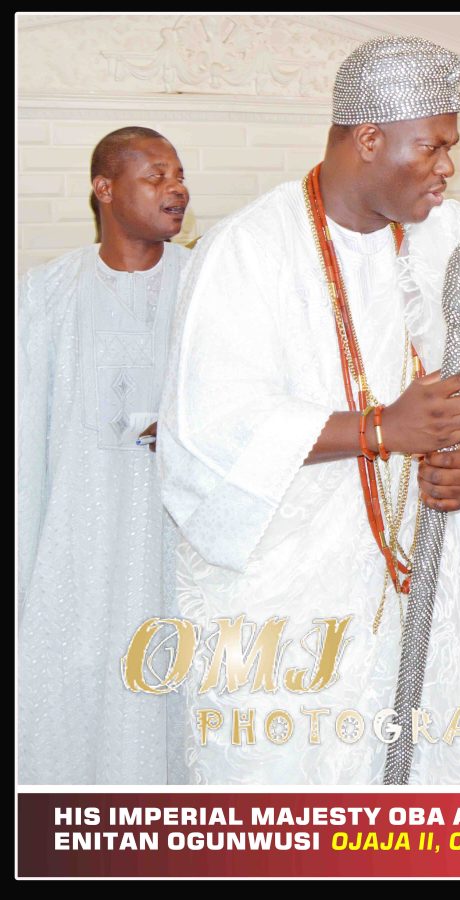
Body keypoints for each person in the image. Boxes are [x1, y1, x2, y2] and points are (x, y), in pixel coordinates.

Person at [158, 36, 460, 785]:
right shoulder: (248, 250)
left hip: (425, 564)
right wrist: (379, 431)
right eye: (431, 146)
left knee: (432, 766)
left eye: (449, 146)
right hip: (293, 589)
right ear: (369, 139)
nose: (447, 166)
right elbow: (211, 426)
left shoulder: (453, 236)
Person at [19, 126, 190, 784]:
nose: (176, 188)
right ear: (105, 188)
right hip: (75, 537)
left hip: (173, 537)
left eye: (179, 176)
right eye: (156, 176)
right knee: (76, 671)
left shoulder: (206, 287)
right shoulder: (46, 293)